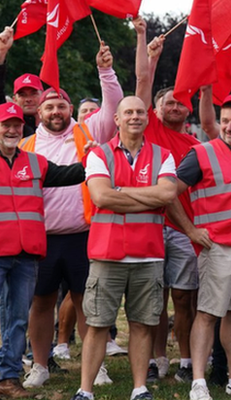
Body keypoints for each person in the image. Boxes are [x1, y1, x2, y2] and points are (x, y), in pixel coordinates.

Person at [22, 42, 123, 390]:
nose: (55, 111)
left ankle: (95, 366)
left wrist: (105, 71)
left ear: (70, 110)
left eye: (61, 105)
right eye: (49, 106)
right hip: (42, 238)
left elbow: (113, 106)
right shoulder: (26, 146)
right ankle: (39, 364)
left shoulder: (88, 133)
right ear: (39, 112)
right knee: (41, 303)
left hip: (85, 234)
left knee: (87, 303)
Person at [72, 96, 178, 400]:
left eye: (140, 112)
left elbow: (168, 194)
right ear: (117, 119)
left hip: (148, 254)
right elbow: (101, 197)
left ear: (147, 118)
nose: (135, 116)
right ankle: (85, 391)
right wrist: (149, 195)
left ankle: (139, 388)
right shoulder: (99, 155)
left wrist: (121, 190)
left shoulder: (163, 155)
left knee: (143, 324)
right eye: (128, 112)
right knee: (97, 325)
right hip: (107, 254)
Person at [167, 93, 231, 400]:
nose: (229, 126)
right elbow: (169, 192)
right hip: (217, 247)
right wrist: (191, 231)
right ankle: (198, 381)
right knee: (208, 313)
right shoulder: (201, 154)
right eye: (225, 120)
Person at [135, 18, 208, 383]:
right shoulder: (150, 128)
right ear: (157, 110)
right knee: (152, 298)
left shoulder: (197, 148)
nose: (175, 106)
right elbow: (143, 85)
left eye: (182, 103)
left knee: (183, 299)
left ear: (189, 111)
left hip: (181, 230)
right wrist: (150, 53)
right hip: (149, 223)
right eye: (169, 102)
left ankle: (184, 359)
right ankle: (156, 358)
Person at [0, 102, 85, 399]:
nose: (11, 130)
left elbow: (71, 174)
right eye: (5, 125)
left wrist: (103, 156)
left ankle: (8, 378)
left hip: (26, 254)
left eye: (15, 126)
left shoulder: (36, 162)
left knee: (18, 318)